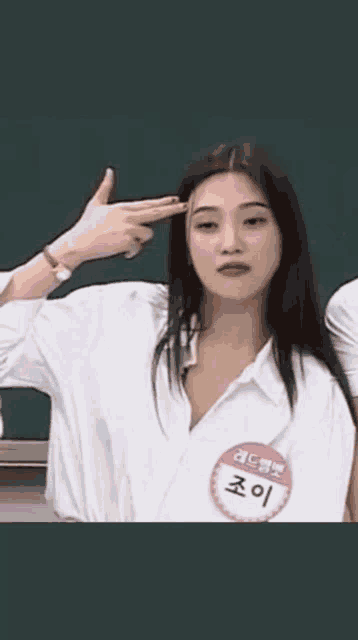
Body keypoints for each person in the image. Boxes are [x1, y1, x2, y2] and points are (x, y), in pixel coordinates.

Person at [0, 141, 355, 522]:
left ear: (285, 234)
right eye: (206, 225)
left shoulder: (313, 393)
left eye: (253, 221)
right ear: (185, 242)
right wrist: (65, 253)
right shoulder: (112, 320)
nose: (230, 244)